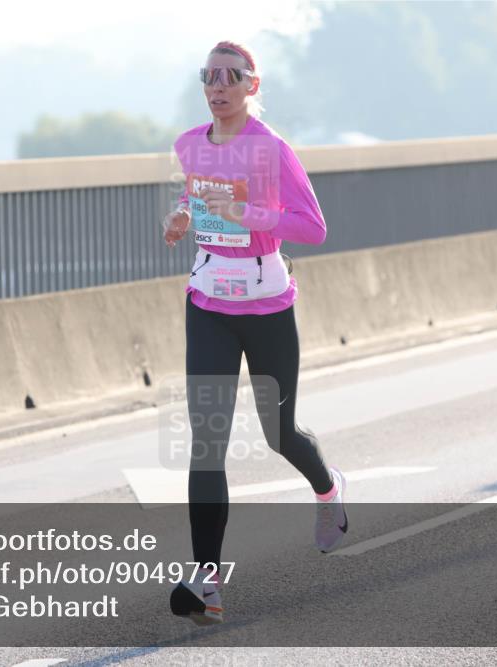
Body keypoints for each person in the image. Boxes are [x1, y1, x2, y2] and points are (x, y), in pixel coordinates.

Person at [163, 40, 348, 627]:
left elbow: (313, 227)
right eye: (209, 76)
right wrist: (183, 217)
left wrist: (251, 216)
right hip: (209, 303)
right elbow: (198, 199)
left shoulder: (272, 149)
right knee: (207, 441)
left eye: (230, 76)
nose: (218, 86)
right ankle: (208, 581)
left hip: (267, 307)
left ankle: (328, 489)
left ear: (252, 85)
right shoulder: (189, 144)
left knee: (279, 433)